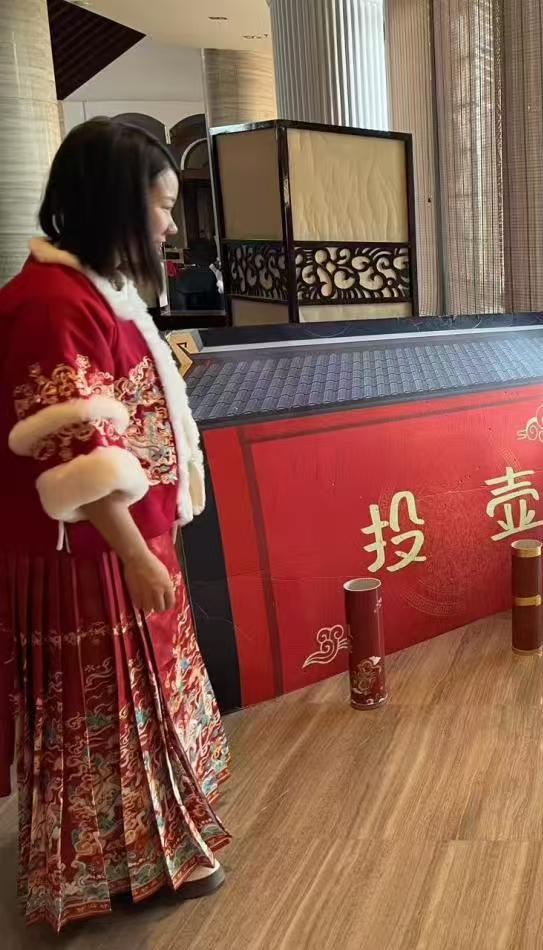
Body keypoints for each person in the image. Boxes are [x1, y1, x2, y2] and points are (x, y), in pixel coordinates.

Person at [0, 119, 230, 931]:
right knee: (113, 714)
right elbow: (77, 452)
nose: (170, 225)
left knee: (146, 705)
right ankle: (115, 869)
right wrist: (133, 554)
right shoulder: (49, 304)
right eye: (160, 208)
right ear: (115, 207)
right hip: (90, 552)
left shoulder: (94, 291)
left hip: (122, 538)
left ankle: (145, 853)